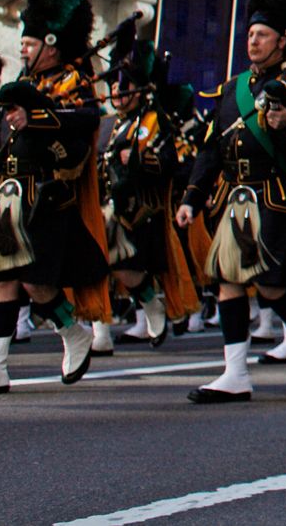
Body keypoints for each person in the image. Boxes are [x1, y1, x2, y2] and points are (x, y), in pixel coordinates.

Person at [0, 0, 109, 395]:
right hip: (9, 198)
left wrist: (36, 115)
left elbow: (84, 126)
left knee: (36, 283)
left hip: (48, 198)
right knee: (1, 278)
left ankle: (72, 331)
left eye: (30, 43)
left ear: (51, 45)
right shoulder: (24, 84)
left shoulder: (74, 83)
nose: (24, 50)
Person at [177, 0, 286, 403]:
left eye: (263, 35)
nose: (253, 41)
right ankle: (234, 373)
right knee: (227, 280)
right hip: (234, 198)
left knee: (270, 285)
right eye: (251, 34)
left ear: (283, 39)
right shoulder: (233, 90)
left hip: (278, 198)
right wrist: (193, 196)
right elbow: (210, 150)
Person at [101, 45, 189, 349]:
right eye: (114, 86)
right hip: (107, 205)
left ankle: (151, 305)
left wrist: (137, 158)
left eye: (124, 87)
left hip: (139, 210)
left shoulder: (154, 120)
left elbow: (169, 163)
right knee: (97, 266)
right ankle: (99, 333)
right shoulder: (109, 123)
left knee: (127, 270)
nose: (117, 92)